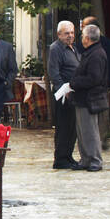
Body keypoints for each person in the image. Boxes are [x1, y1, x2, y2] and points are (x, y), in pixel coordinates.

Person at [68, 24, 110, 171]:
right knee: (82, 132)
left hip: (89, 99)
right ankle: (85, 159)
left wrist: (74, 82)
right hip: (83, 98)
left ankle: (95, 160)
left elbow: (94, 78)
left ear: (87, 38)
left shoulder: (96, 54)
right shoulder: (91, 52)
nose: (81, 39)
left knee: (90, 131)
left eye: (82, 36)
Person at [47, 20, 81, 170]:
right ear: (59, 34)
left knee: (72, 127)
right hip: (63, 95)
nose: (70, 36)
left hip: (74, 93)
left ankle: (68, 156)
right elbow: (54, 73)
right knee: (63, 127)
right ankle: (60, 159)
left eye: (72, 32)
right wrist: (64, 90)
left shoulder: (73, 48)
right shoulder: (56, 49)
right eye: (67, 33)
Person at [82, 16, 110, 149]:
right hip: (104, 84)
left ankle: (97, 139)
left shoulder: (90, 45)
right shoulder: (109, 43)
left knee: (95, 112)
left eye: (83, 26)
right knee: (102, 111)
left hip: (94, 84)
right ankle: (103, 137)